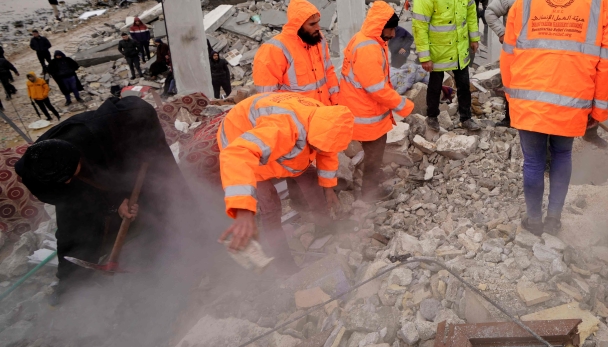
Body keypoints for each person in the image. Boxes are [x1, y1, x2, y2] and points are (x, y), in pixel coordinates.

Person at [501, 0, 608, 235]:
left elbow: (508, 53)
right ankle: (554, 219)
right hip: (573, 102)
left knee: (532, 161)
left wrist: (512, 95)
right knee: (561, 155)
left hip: (528, 98)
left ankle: (533, 221)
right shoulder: (603, 0)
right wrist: (600, 108)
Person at [15, 96, 191, 295]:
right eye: (62, 180)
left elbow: (117, 172)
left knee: (157, 188)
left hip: (131, 137)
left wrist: (120, 200)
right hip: (90, 171)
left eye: (70, 175)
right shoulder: (34, 175)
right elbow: (77, 201)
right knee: (73, 229)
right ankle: (70, 285)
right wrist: (113, 205)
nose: (66, 181)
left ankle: (172, 237)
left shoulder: (101, 136)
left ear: (79, 158)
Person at [217, 93, 354, 270]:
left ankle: (325, 226)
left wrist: (328, 188)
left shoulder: (326, 118)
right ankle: (283, 264)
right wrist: (243, 210)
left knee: (311, 180)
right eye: (316, 147)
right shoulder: (282, 128)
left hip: (272, 140)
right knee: (270, 204)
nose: (318, 150)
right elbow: (237, 155)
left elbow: (327, 151)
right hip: (240, 140)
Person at [340, 2, 415, 201]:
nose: (392, 34)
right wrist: (404, 105)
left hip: (359, 107)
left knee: (373, 151)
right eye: (390, 29)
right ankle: (369, 194)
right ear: (381, 26)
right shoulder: (368, 48)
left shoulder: (365, 39)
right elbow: (376, 88)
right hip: (366, 113)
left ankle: (368, 181)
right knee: (374, 153)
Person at [411, 0, 482, 131]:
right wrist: (425, 57)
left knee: (464, 84)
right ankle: (432, 116)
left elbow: (471, 14)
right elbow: (420, 28)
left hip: (460, 47)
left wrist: (474, 37)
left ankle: (466, 118)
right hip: (437, 50)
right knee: (435, 85)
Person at [485, 0, 549, 127]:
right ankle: (509, 118)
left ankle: (531, 118)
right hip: (515, 49)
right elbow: (490, 12)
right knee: (511, 82)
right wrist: (502, 33)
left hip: (537, 51)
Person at [253, 0, 340, 105]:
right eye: (312, 24)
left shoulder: (318, 39)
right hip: (298, 118)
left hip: (323, 113)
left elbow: (329, 72)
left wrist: (336, 103)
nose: (318, 27)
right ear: (298, 26)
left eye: (318, 22)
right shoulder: (274, 49)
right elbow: (267, 97)